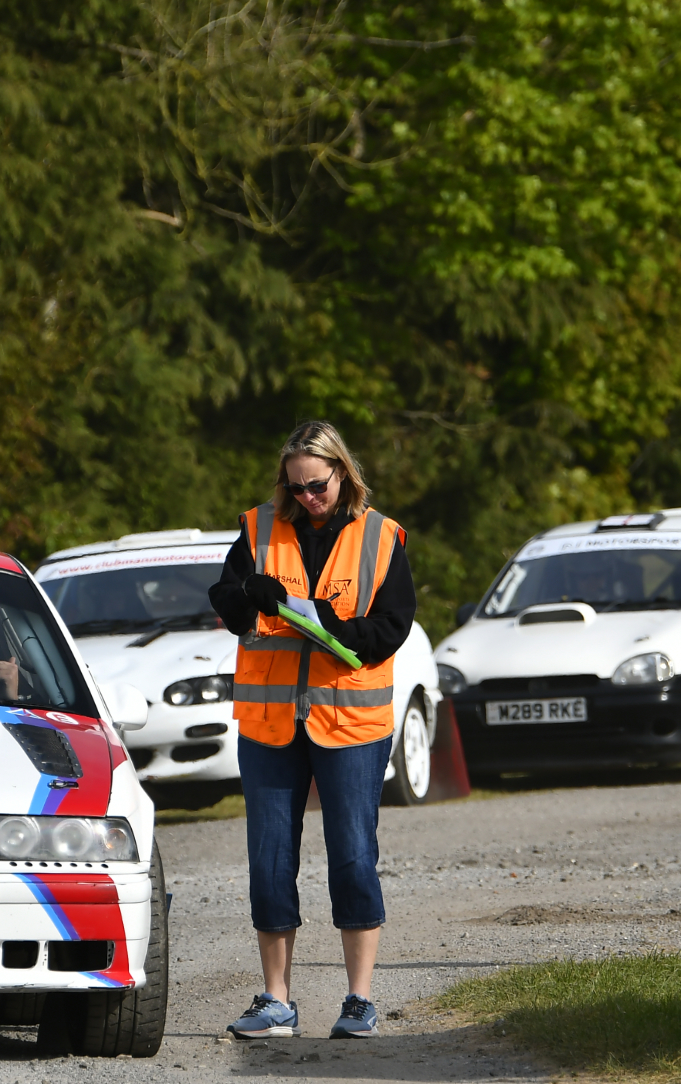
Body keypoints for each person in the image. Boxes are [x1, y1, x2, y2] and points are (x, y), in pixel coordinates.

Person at [205, 420, 416, 1041]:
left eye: (316, 486)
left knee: (352, 856)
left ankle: (359, 1000)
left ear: (342, 474)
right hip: (271, 724)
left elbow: (393, 625)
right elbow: (225, 599)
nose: (307, 498)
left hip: (350, 721)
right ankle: (276, 1001)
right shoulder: (257, 527)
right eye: (295, 488)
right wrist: (249, 593)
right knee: (270, 862)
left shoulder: (383, 536)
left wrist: (329, 627)